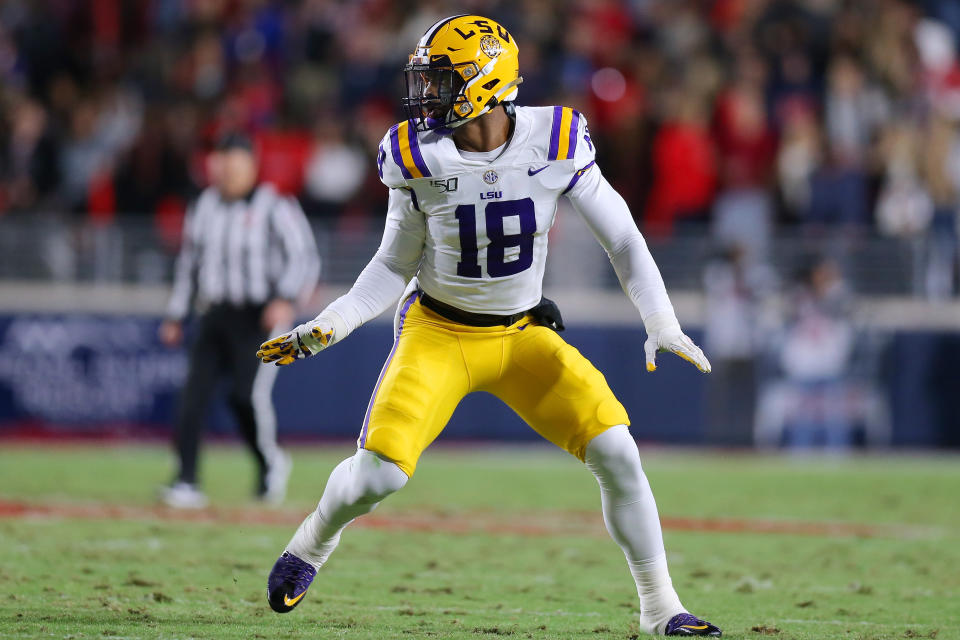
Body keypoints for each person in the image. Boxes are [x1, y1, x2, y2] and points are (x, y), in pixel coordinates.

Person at [257, 15, 721, 637]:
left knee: (617, 451)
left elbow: (624, 239)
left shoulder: (554, 138)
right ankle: (313, 541)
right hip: (439, 332)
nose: (426, 94)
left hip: (524, 333)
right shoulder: (416, 156)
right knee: (379, 475)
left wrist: (659, 319)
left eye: (441, 79)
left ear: (485, 81)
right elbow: (391, 267)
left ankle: (661, 607)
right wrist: (331, 324)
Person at [159, 133, 320, 509]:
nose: (228, 172)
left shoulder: (275, 205)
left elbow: (304, 257)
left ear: (251, 165)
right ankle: (187, 480)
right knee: (192, 397)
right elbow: (189, 266)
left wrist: (284, 297)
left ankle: (269, 465)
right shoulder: (203, 206)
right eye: (223, 164)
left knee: (244, 397)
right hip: (215, 313)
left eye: (236, 165)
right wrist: (176, 314)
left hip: (259, 315)